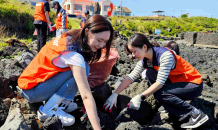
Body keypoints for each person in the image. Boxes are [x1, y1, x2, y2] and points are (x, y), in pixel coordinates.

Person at [18, 15, 114, 129]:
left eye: (105, 42)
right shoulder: (74, 54)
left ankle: (62, 102)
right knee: (81, 70)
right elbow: (86, 96)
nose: (102, 45)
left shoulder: (71, 37)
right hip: (33, 91)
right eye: (99, 40)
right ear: (87, 31)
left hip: (31, 83)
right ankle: (48, 110)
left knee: (84, 67)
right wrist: (97, 127)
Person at [103, 33, 209, 129]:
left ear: (144, 47)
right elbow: (131, 77)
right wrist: (115, 94)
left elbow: (160, 82)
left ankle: (195, 113)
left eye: (135, 51)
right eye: (132, 52)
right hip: (177, 83)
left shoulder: (165, 55)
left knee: (159, 92)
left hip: (193, 84)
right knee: (150, 73)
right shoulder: (145, 60)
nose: (133, 55)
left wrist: (140, 96)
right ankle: (172, 108)